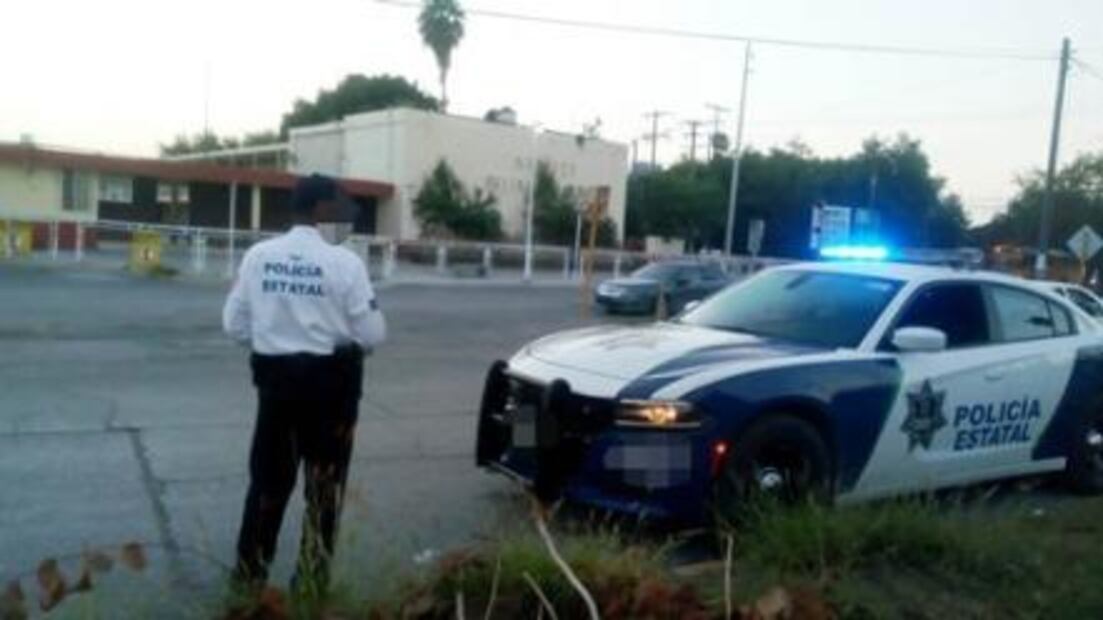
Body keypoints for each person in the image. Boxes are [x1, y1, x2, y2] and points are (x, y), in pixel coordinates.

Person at [222, 173, 386, 593]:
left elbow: (235, 325)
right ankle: (311, 583)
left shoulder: (260, 256)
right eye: (339, 205)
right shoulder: (345, 261)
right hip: (332, 393)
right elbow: (371, 336)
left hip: (276, 391)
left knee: (266, 487)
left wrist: (276, 342)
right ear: (321, 210)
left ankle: (249, 579)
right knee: (325, 493)